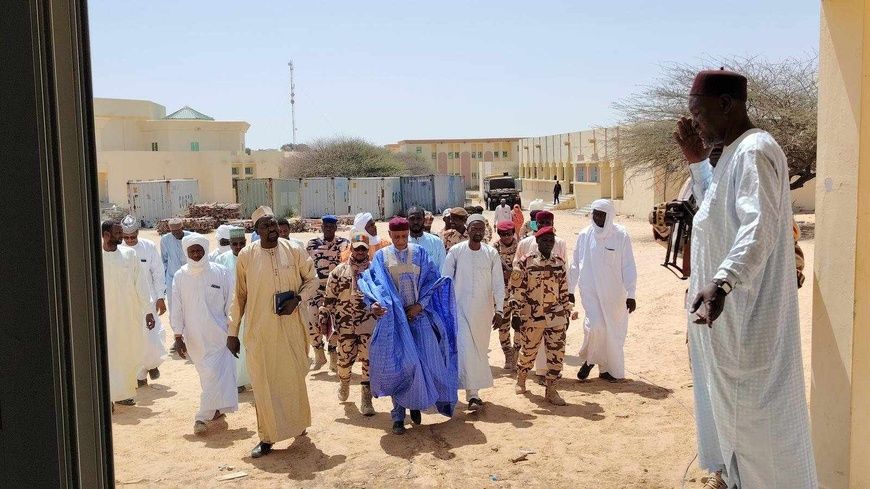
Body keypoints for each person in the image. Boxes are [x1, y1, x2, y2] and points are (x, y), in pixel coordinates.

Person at [672, 69, 816, 487]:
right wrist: (697, 162)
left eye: (698, 114)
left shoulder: (754, 150)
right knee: (734, 423)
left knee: (758, 428)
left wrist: (722, 281)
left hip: (748, 323)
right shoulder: (733, 154)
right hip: (727, 324)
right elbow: (717, 211)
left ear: (726, 105)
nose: (695, 123)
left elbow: (760, 225)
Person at [226, 206, 319, 458]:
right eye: (265, 225)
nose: (272, 229)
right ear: (256, 230)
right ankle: (266, 437)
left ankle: (298, 425)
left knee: (294, 378)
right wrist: (232, 332)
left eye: (274, 224)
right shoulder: (246, 255)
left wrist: (298, 299)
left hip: (291, 326)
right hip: (261, 330)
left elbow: (313, 280)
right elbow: (240, 296)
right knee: (264, 383)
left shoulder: (294, 249)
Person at [357, 217, 457, 435]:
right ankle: (398, 416)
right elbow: (371, 286)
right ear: (390, 236)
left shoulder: (420, 254)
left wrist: (420, 305)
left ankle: (416, 405)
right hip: (394, 322)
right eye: (396, 237)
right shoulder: (382, 257)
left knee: (424, 363)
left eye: (404, 236)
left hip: (419, 318)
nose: (400, 240)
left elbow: (432, 282)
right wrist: (373, 305)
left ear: (408, 234)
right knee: (399, 366)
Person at [171, 234, 238, 435]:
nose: (196, 254)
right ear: (186, 252)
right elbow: (177, 307)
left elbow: (231, 303)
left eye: (199, 250)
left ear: (206, 250)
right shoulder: (180, 276)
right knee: (207, 375)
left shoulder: (221, 272)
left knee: (216, 375)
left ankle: (202, 416)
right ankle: (214, 410)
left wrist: (232, 331)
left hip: (221, 336)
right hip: (195, 338)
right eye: (192, 251)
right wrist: (177, 336)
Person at [569, 199, 637, 382]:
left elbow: (629, 265)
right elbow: (575, 264)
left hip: (615, 295)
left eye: (601, 214)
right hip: (590, 292)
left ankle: (606, 369)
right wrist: (570, 289)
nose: (597, 218)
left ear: (609, 216)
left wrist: (631, 293)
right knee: (595, 326)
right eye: (595, 214)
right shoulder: (584, 235)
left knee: (613, 333)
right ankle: (590, 361)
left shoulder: (621, 235)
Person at [441, 215, 504, 409]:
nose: (478, 232)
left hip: (483, 312)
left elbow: (498, 283)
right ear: (467, 230)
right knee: (465, 349)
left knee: (479, 351)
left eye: (481, 229)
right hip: (459, 309)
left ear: (485, 231)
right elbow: (445, 279)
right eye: (474, 228)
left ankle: (473, 392)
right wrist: (445, 309)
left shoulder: (491, 253)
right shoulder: (456, 251)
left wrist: (499, 309)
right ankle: (472, 395)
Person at [510, 227, 572, 406]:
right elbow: (517, 290)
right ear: (537, 242)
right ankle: (521, 378)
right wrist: (516, 313)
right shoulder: (525, 262)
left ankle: (551, 390)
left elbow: (564, 290)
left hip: (556, 316)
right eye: (545, 240)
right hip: (532, 316)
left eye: (551, 240)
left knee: (556, 353)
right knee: (529, 351)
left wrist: (566, 312)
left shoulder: (559, 263)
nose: (548, 243)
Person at [320, 232, 377, 415]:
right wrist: (324, 316)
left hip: (368, 323)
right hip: (345, 324)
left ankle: (366, 398)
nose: (360, 252)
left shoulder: (375, 271)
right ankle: (344, 383)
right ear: (351, 248)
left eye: (363, 249)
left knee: (368, 359)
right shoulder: (339, 272)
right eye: (357, 248)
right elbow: (329, 297)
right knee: (344, 361)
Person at [101, 220, 155, 408]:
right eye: (117, 233)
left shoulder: (129, 255)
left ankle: (123, 393)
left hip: (127, 316)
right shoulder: (95, 257)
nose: (122, 236)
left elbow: (141, 285)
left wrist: (148, 311)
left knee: (127, 353)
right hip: (104, 317)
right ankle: (107, 397)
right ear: (106, 235)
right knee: (106, 356)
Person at [120, 215, 167, 386]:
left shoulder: (149, 247)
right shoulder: (118, 251)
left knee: (151, 336)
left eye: (133, 236)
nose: (130, 240)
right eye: (127, 237)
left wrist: (161, 297)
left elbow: (158, 272)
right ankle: (140, 374)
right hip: (128, 303)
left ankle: (151, 364)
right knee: (132, 337)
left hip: (149, 300)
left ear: (138, 233)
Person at [305, 215, 350, 371]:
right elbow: (305, 267)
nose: (329, 229)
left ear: (336, 228)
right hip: (316, 289)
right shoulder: (312, 244)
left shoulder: (344, 244)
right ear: (322, 227)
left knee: (335, 324)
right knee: (311, 321)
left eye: (332, 226)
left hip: (336, 291)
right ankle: (319, 354)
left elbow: (347, 266)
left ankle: (333, 357)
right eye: (326, 226)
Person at [214, 227, 251, 392]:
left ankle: (249, 378)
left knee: (248, 344)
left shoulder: (252, 257)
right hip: (230, 310)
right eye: (234, 244)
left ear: (245, 242)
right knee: (232, 344)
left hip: (250, 308)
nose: (238, 247)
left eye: (241, 243)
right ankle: (236, 381)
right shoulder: (221, 260)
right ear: (229, 244)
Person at [492, 221, 520, 369]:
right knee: (503, 326)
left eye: (508, 234)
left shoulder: (521, 247)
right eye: (502, 234)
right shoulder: (494, 248)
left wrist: (513, 274)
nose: (506, 237)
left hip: (518, 292)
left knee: (519, 324)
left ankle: (516, 352)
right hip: (501, 293)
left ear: (513, 232)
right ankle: (508, 354)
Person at [160, 218, 191, 314]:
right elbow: (164, 260)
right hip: (172, 278)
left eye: (178, 230)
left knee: (189, 304)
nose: (175, 233)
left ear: (182, 227)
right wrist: (165, 280)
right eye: (173, 231)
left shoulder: (191, 237)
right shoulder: (165, 240)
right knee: (174, 306)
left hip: (189, 277)